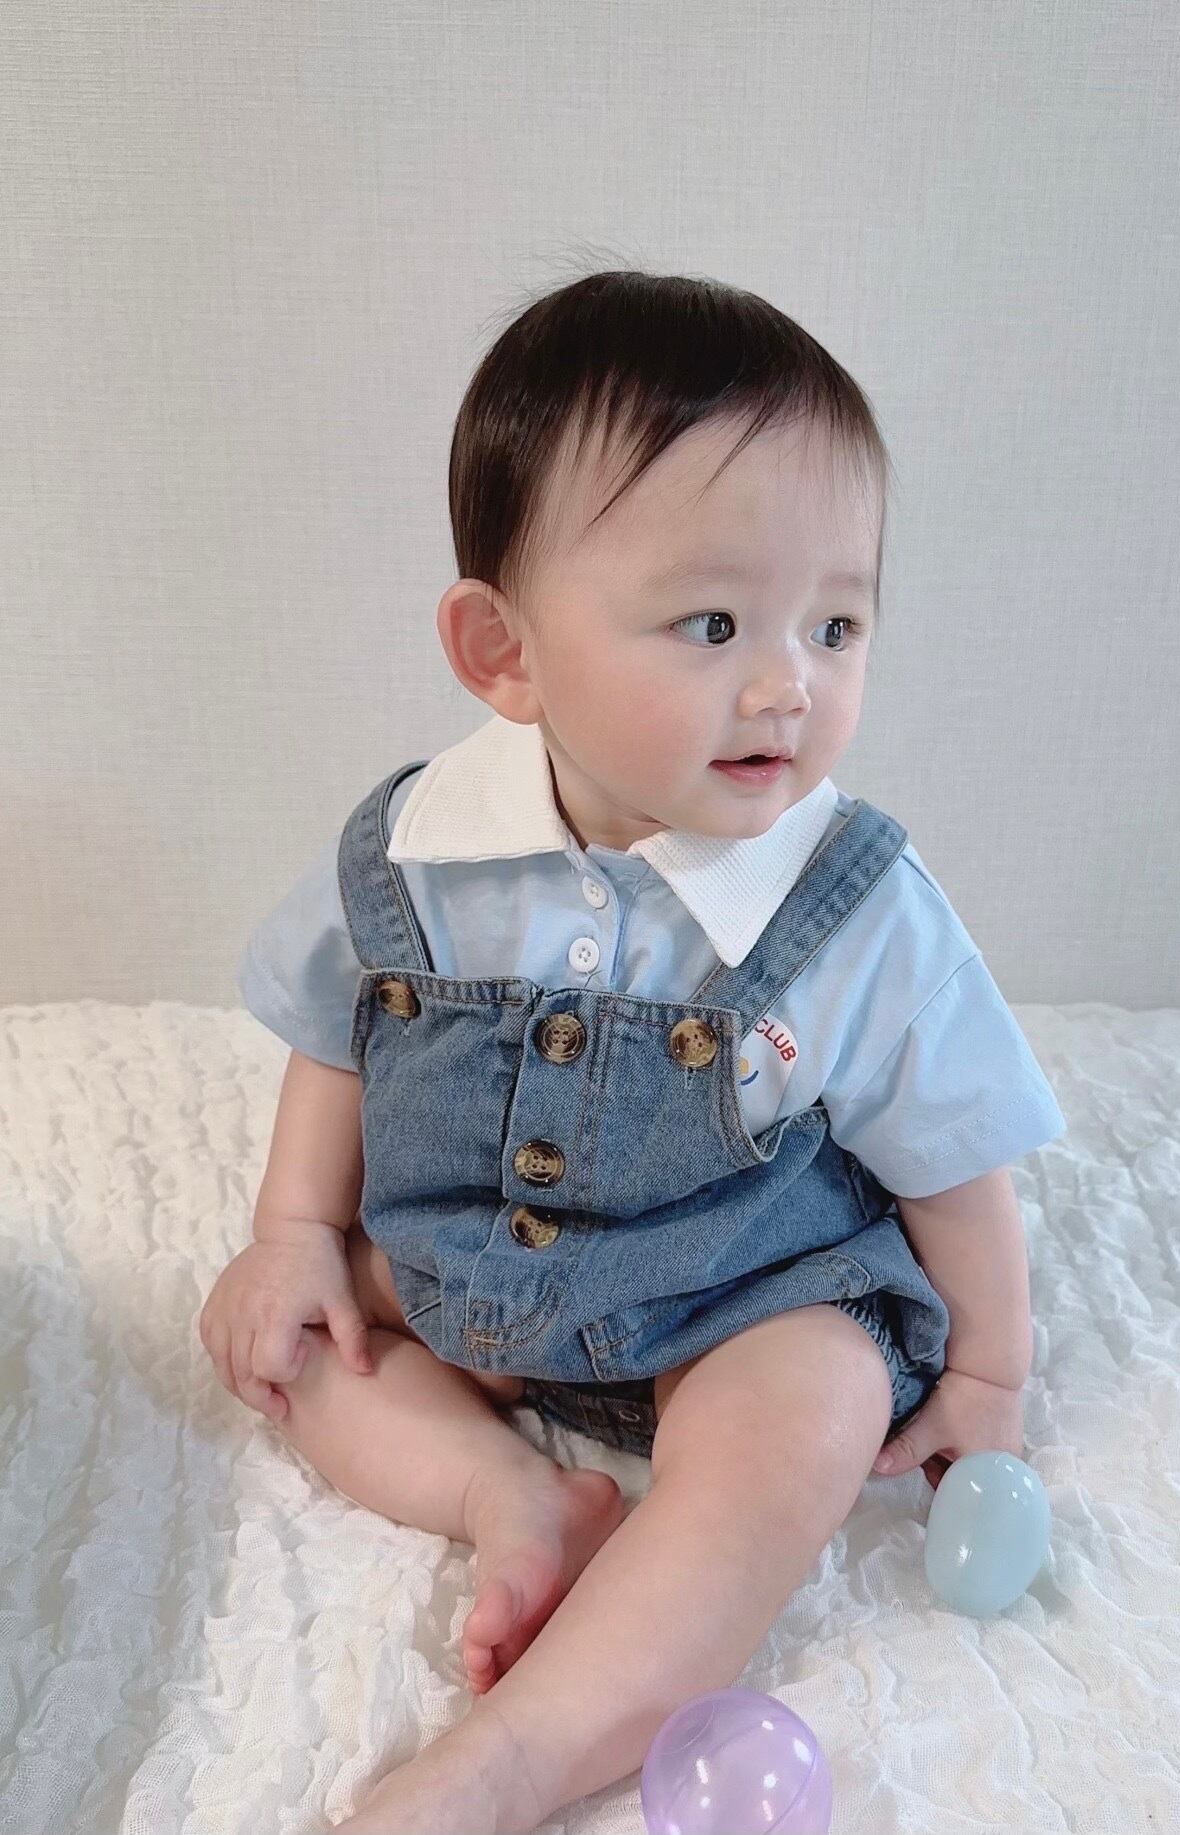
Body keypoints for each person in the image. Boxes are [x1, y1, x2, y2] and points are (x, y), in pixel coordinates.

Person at [199, 268, 1067, 1834]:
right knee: (282, 1333)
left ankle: (512, 1758)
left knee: (815, 1404)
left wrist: (988, 1372)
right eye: (714, 623)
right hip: (471, 1274)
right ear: (504, 652)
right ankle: (506, 1491)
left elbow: (955, 1149)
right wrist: (295, 1233)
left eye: (837, 623)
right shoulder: (420, 852)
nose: (788, 684)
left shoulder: (848, 904)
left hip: (734, 1295)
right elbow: (340, 1035)